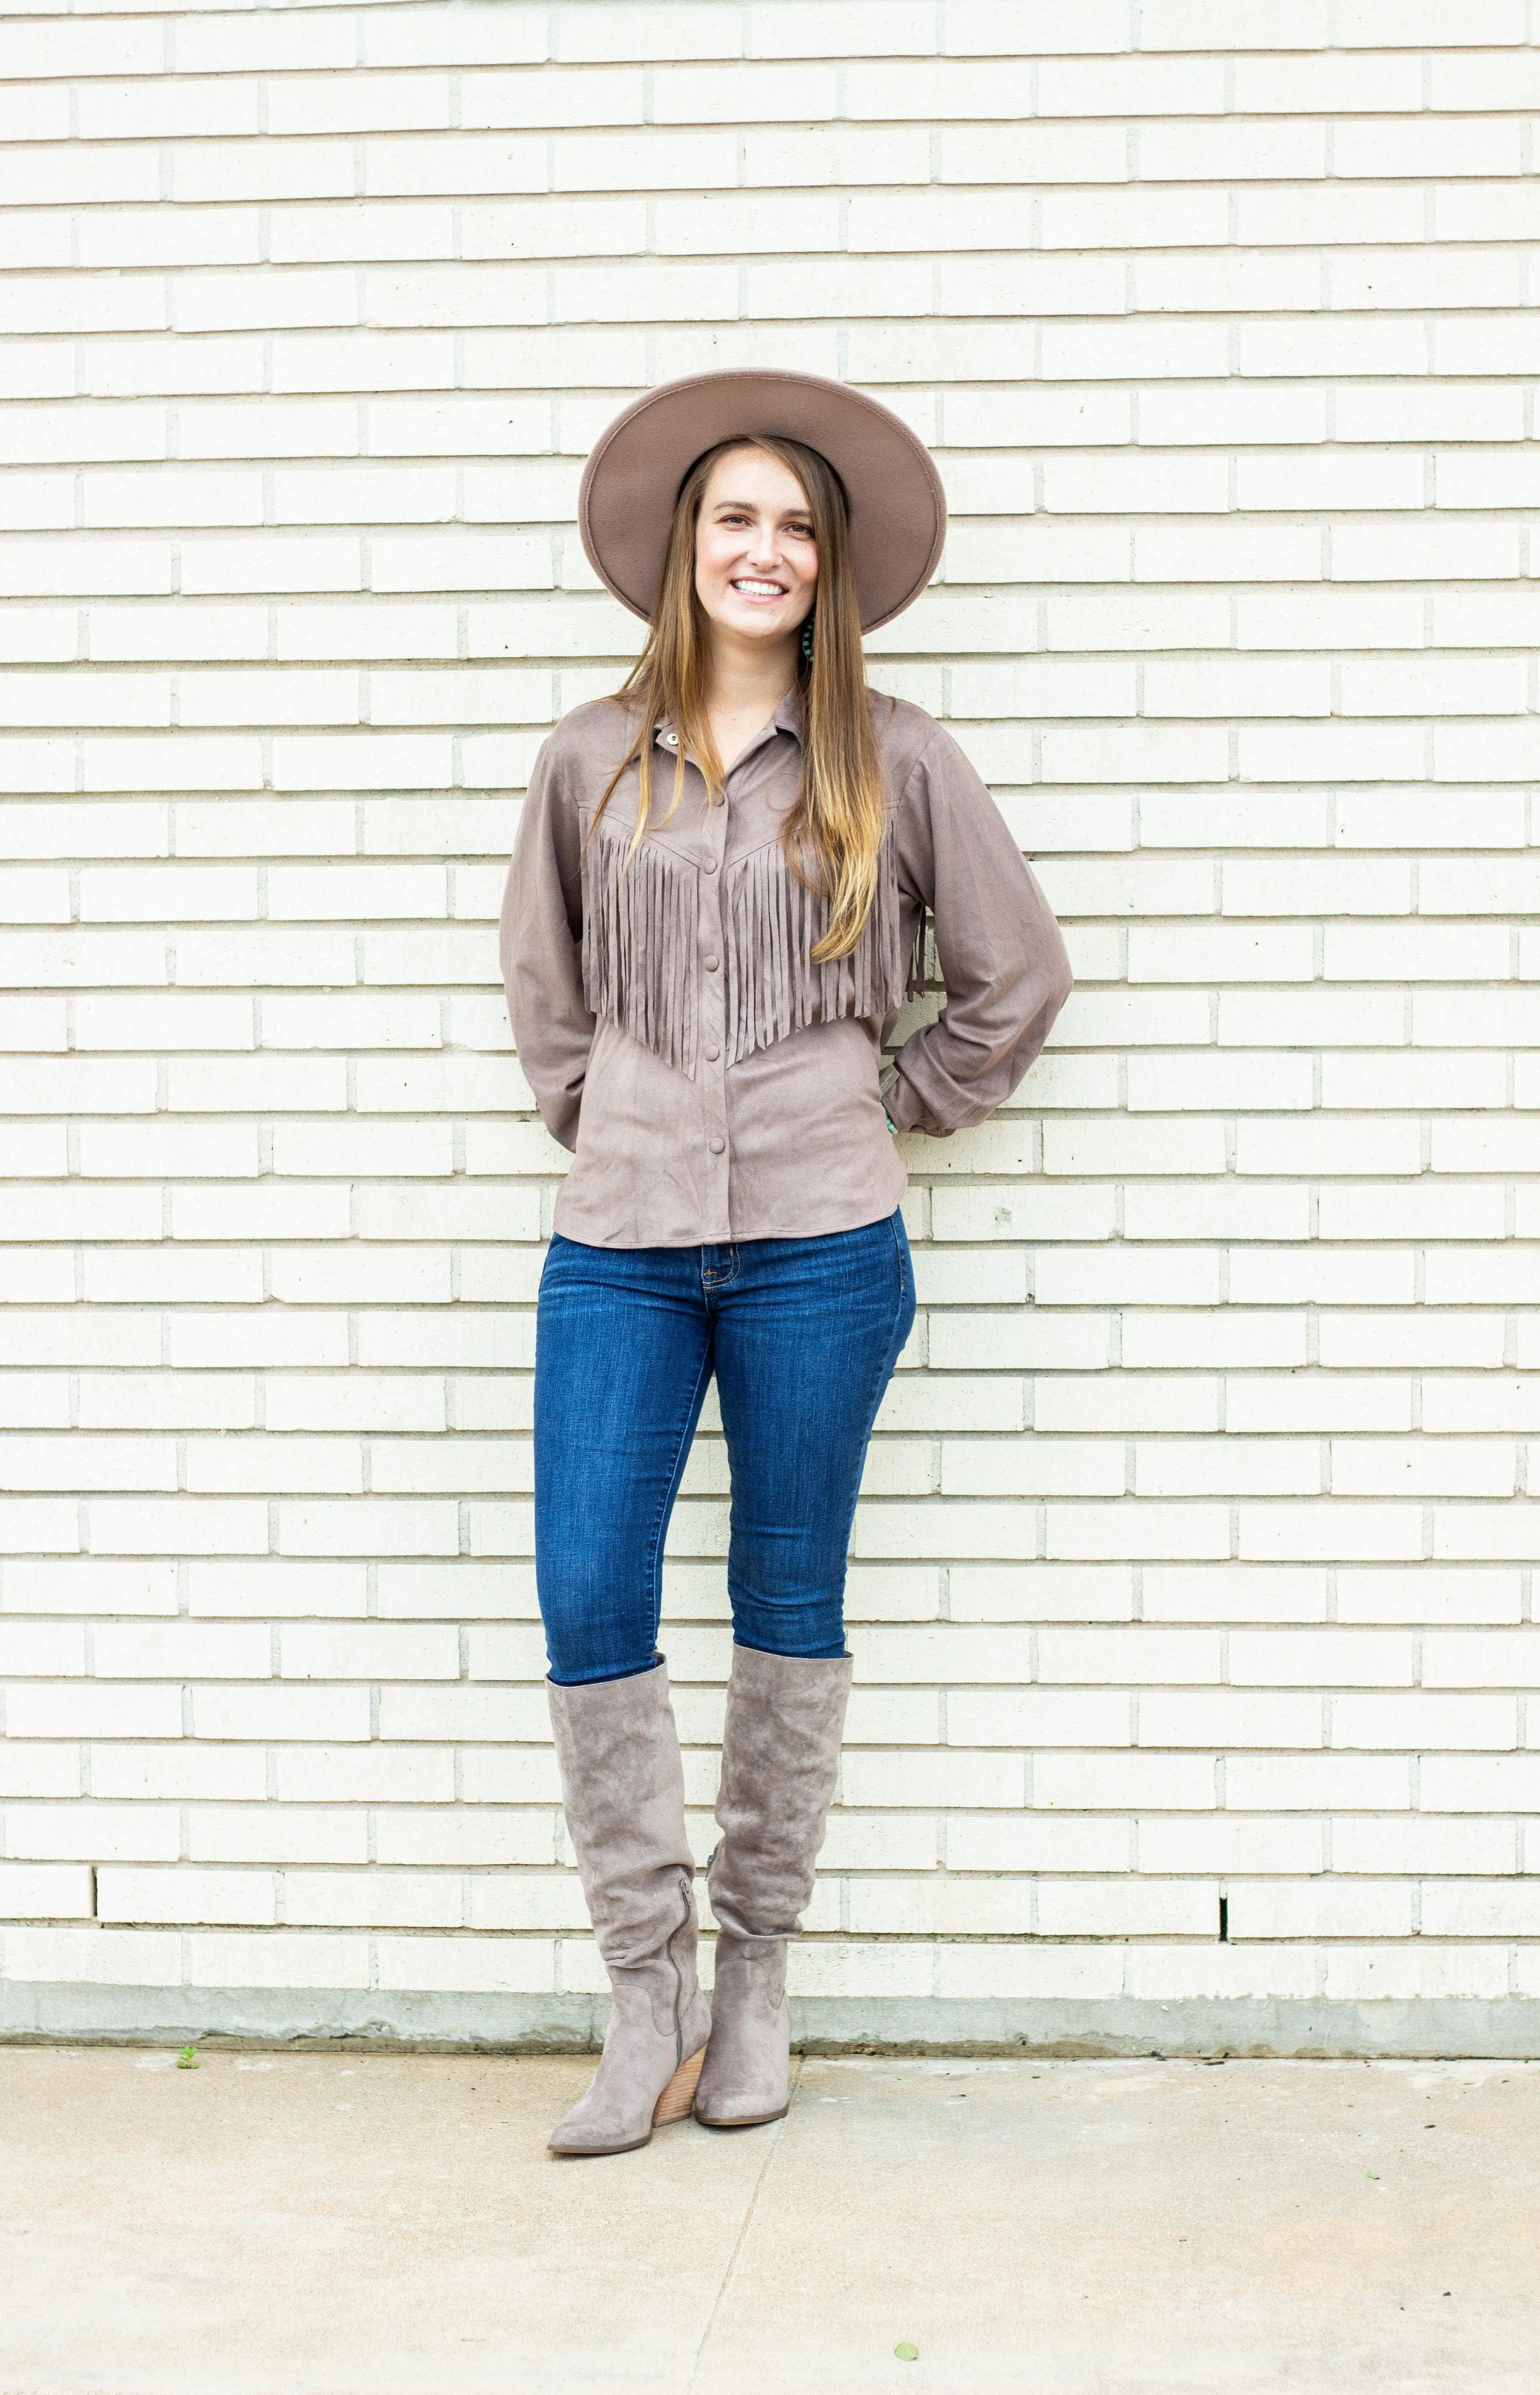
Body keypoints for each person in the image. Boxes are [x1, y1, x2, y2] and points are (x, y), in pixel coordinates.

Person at [500, 370, 1072, 2158]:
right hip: (623, 1249)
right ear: (687, 547)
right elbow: (550, 996)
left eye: (797, 528)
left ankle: (755, 1986)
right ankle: (643, 1988)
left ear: (831, 569)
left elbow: (1017, 976)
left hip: (828, 1246)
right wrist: (621, 1118)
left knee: (787, 1601)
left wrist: (881, 1099)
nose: (765, 550)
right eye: (736, 518)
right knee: (591, 1590)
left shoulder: (899, 756)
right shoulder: (590, 758)